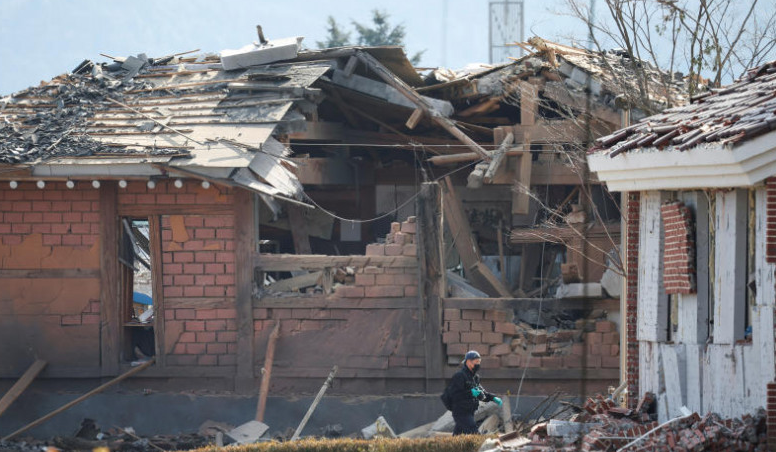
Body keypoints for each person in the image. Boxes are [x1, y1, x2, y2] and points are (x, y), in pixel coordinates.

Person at [447, 350, 502, 435]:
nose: (478, 364)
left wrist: (493, 398)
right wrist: (469, 393)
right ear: (468, 362)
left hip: (470, 410)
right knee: (474, 433)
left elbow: (482, 394)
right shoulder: (460, 376)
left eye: (479, 362)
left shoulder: (475, 378)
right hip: (461, 410)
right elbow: (454, 394)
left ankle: (450, 447)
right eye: (476, 362)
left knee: (458, 434)